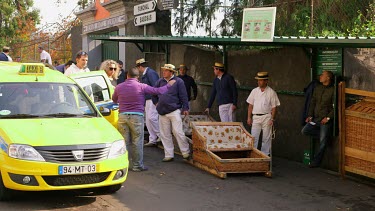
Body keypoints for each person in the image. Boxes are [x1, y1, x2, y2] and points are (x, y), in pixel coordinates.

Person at [112, 67, 176, 172]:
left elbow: (114, 99)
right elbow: (158, 91)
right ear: (137, 77)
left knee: (124, 142)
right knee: (137, 141)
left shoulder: (119, 87)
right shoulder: (142, 86)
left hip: (122, 116)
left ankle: (123, 165)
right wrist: (169, 85)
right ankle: (137, 166)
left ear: (127, 75)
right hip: (137, 116)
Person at [152, 64, 190, 162]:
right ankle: (169, 154)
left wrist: (185, 107)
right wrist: (156, 103)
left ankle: (186, 152)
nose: (163, 72)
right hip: (162, 111)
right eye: (163, 70)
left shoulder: (179, 82)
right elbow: (153, 93)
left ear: (171, 72)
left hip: (174, 110)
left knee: (178, 132)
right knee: (165, 134)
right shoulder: (160, 81)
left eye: (166, 70)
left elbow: (183, 95)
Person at [301, 70, 335, 168]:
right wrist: (310, 115)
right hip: (316, 118)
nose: (320, 76)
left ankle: (316, 161)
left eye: (323, 75)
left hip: (325, 120)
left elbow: (335, 107)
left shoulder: (333, 90)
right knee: (305, 130)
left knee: (322, 143)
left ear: (328, 78)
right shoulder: (318, 88)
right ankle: (325, 138)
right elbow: (313, 102)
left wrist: (328, 118)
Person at [246, 72, 280, 156]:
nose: (258, 82)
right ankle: (253, 156)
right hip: (256, 117)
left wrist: (272, 118)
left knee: (266, 139)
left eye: (260, 80)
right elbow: (250, 105)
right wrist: (249, 118)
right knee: (254, 137)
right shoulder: (254, 91)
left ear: (266, 81)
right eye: (258, 80)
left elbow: (274, 107)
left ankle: (264, 157)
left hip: (267, 117)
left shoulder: (271, 92)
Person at [136, 58, 161, 147]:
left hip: (152, 99)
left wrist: (156, 100)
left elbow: (155, 87)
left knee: (151, 118)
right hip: (148, 98)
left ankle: (160, 135)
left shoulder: (150, 73)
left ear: (140, 67)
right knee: (148, 120)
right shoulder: (147, 73)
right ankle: (153, 138)